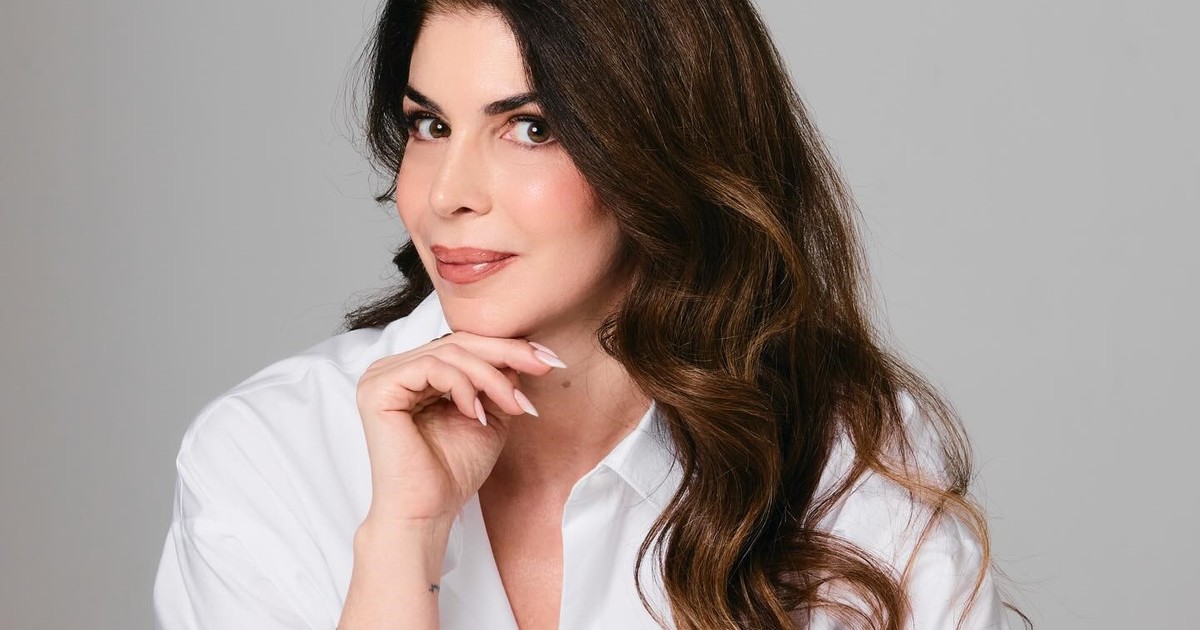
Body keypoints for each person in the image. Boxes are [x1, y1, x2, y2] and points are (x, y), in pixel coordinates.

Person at [153, 1, 1030, 628]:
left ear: (664, 147)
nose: (447, 195)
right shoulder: (271, 452)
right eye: (429, 126)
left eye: (530, 128)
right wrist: (403, 541)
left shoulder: (847, 454)